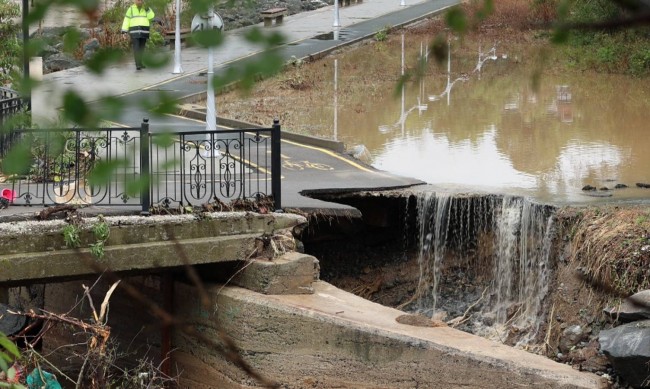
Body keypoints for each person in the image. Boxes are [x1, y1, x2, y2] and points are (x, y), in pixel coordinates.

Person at [121, 0, 155, 70]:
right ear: (134, 1)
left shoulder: (146, 8)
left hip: (144, 31)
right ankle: (137, 65)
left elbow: (151, 17)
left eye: (140, 0)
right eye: (137, 0)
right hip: (134, 31)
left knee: (142, 48)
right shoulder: (131, 9)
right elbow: (126, 20)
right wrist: (124, 31)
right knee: (136, 47)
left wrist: (147, 10)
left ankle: (140, 63)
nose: (139, 2)